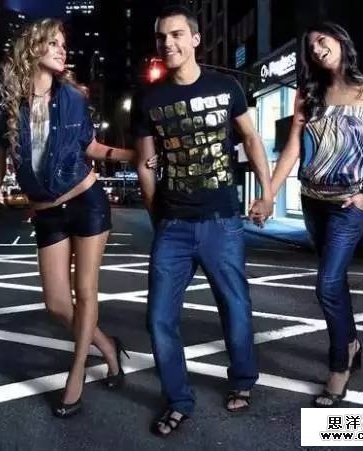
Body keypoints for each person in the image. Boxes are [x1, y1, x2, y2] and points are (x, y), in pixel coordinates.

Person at [0, 18, 157, 418]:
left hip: (86, 201)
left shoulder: (73, 96)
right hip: (46, 212)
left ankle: (76, 376)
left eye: (64, 44)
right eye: (54, 43)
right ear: (33, 47)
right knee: (57, 303)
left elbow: (90, 146)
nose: (63, 50)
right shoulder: (5, 100)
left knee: (86, 292)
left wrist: (134, 156)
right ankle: (107, 345)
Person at [133, 5, 273, 437]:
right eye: (162, 37)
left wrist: (267, 193)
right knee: (159, 318)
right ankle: (178, 400)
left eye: (177, 34)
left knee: (235, 306)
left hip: (221, 219)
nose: (168, 43)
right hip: (173, 225)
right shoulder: (149, 99)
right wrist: (158, 214)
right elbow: (144, 164)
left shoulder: (226, 86)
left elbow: (251, 138)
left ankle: (243, 380)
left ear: (195, 39)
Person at [258, 22, 363, 408]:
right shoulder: (308, 95)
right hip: (312, 201)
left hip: (348, 206)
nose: (317, 49)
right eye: (310, 47)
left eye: (322, 41)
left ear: (340, 40)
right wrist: (269, 195)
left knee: (325, 285)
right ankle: (352, 343)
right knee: (334, 281)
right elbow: (292, 149)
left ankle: (339, 364)